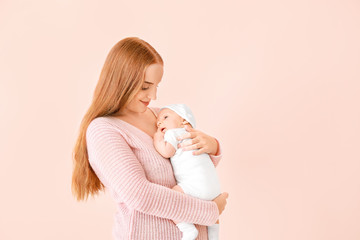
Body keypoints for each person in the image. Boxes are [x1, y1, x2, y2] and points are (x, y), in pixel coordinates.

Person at [71, 37, 229, 240]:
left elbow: (190, 169)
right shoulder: (104, 130)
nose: (153, 96)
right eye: (145, 87)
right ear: (121, 83)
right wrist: (209, 211)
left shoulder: (161, 116)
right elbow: (140, 195)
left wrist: (212, 146)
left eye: (156, 86)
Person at [154, 103, 222, 240]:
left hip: (193, 185)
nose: (160, 122)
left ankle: (187, 228)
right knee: (214, 218)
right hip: (214, 189)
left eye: (165, 117)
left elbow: (166, 151)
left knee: (172, 197)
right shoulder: (195, 136)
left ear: (184, 121)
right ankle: (214, 235)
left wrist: (157, 139)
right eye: (158, 122)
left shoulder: (173, 133)